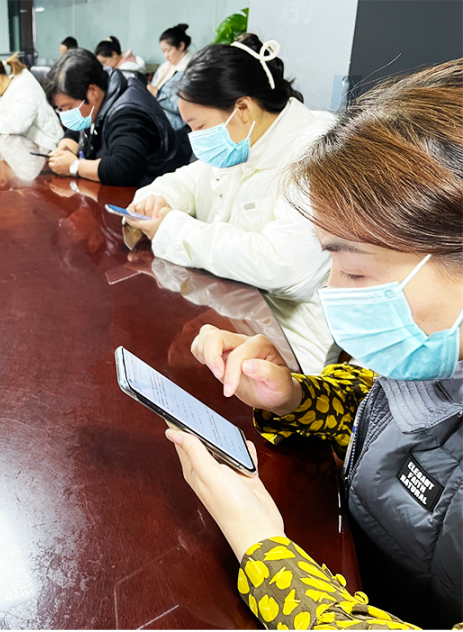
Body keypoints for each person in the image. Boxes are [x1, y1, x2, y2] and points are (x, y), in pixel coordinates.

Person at [171, 57, 463, 630]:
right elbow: (386, 405)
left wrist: (261, 547)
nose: (334, 292)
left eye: (355, 271)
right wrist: (296, 398)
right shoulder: (438, 355)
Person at [125, 33, 335, 373]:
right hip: (235, 307)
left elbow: (284, 267)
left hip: (289, 342)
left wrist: (173, 230)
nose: (195, 139)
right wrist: (156, 198)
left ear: (243, 108)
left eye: (199, 126)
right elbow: (190, 180)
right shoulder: (246, 136)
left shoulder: (317, 153)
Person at [46, 49, 186, 187]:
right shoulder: (101, 91)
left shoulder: (128, 114)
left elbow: (124, 167)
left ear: (92, 92)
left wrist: (74, 166)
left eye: (69, 107)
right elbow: (79, 130)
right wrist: (67, 144)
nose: (67, 113)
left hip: (155, 191)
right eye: (61, 109)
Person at [0, 50, 64, 150]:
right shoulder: (9, 86)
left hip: (48, 149)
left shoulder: (24, 86)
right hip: (28, 148)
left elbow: (16, 124)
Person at [148, 24, 192, 130]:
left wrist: (158, 94)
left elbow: (184, 107)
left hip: (176, 127)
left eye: (168, 50)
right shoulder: (164, 67)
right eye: (163, 51)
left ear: (181, 46)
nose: (166, 55)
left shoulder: (190, 70)